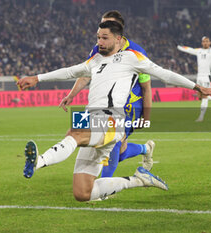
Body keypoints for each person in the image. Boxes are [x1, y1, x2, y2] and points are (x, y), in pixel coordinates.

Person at [17, 21, 211, 202]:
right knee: (82, 193)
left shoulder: (131, 58)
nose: (100, 42)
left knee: (75, 133)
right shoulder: (95, 60)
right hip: (90, 116)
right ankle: (138, 180)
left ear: (119, 39)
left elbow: (164, 74)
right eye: (98, 37)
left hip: (112, 119)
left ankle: (38, 162)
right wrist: (37, 78)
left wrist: (197, 87)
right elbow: (71, 71)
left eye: (105, 38)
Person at [59, 10, 155, 179]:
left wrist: (146, 117)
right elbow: (86, 74)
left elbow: (146, 87)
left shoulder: (137, 53)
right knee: (119, 151)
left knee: (114, 145)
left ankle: (102, 187)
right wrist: (71, 94)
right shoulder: (98, 49)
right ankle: (145, 149)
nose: (104, 28)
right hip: (104, 104)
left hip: (130, 107)